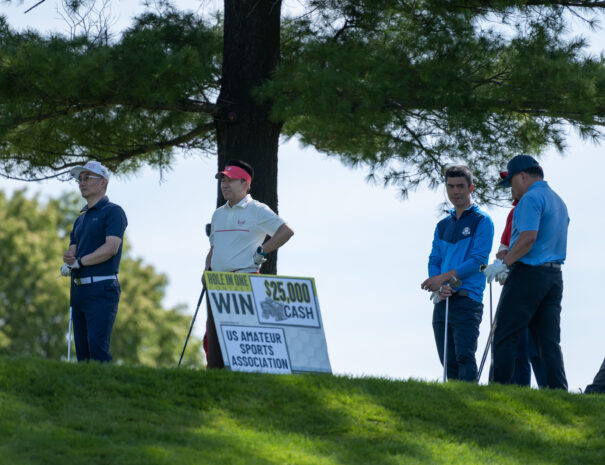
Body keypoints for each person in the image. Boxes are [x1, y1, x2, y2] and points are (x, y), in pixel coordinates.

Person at [484, 154, 569, 389]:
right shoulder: (558, 201)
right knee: (548, 342)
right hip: (554, 277)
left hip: (528, 274)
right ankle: (558, 393)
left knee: (506, 334)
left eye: (511, 182)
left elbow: (528, 237)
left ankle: (498, 390)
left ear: (522, 176)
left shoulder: (530, 199)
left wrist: (504, 264)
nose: (511, 191)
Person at [204, 159, 294, 368]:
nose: (225, 185)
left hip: (244, 280)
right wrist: (206, 269)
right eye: (223, 180)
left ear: (245, 184)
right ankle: (214, 374)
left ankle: (244, 375)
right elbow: (214, 247)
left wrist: (262, 251)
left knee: (241, 335)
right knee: (214, 335)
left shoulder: (257, 210)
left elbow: (286, 231)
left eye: (231, 180)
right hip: (217, 282)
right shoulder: (218, 214)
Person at [421, 165, 494, 382]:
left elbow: (478, 261)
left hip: (467, 298)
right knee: (447, 361)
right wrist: (440, 285)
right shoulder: (442, 225)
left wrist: (442, 279)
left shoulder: (482, 221)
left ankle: (470, 399)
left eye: (460, 186)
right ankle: (452, 400)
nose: (455, 191)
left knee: (464, 357)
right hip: (443, 299)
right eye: (451, 186)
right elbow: (434, 259)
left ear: (471, 188)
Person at [61, 161, 127, 362]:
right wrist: (69, 260)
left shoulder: (113, 211)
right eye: (80, 179)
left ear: (103, 182)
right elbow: (73, 250)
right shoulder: (80, 219)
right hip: (79, 290)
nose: (82, 183)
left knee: (97, 349)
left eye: (87, 178)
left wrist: (79, 262)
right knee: (83, 354)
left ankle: (106, 384)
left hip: (102, 288)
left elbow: (110, 248)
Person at [496, 172, 547, 388]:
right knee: (520, 344)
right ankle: (519, 391)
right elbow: (504, 246)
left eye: (513, 182)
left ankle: (549, 391)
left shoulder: (536, 205)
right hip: (518, 278)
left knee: (535, 343)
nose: (511, 189)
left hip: (533, 279)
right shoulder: (514, 212)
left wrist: (506, 260)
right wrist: (502, 262)